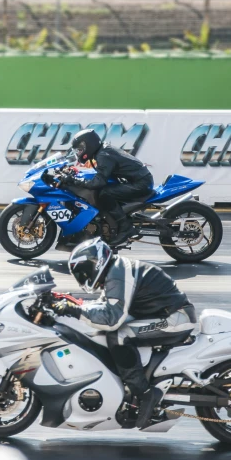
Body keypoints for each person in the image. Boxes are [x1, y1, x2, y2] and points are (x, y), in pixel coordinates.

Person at [50, 237, 197, 428]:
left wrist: (74, 309)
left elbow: (112, 318)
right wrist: (72, 302)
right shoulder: (115, 270)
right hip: (162, 315)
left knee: (120, 335)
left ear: (96, 263)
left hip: (176, 319)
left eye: (84, 271)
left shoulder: (119, 273)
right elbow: (103, 306)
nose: (83, 276)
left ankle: (144, 394)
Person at [52, 129, 153, 245]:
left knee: (104, 193)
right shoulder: (102, 151)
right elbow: (100, 173)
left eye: (81, 148)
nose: (79, 152)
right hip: (135, 180)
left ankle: (126, 228)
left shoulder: (104, 155)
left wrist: (74, 180)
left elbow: (97, 182)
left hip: (140, 184)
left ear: (89, 145)